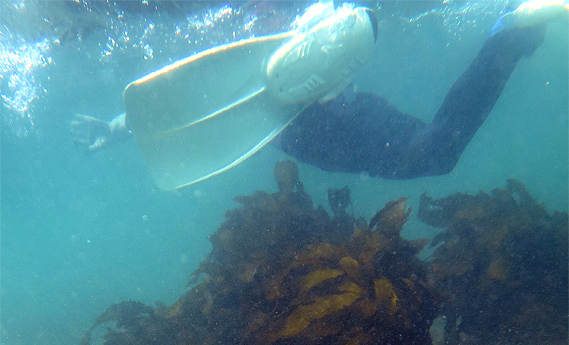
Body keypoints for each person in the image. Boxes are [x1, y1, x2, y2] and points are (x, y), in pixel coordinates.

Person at [71, 1, 566, 183]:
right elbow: (187, 97)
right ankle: (511, 34)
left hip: (329, 127)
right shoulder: (227, 46)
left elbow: (191, 97)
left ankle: (507, 34)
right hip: (335, 127)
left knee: (437, 153)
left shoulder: (237, 33)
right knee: (439, 152)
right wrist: (116, 128)